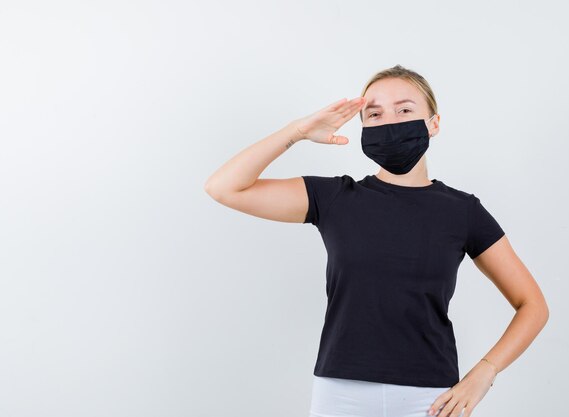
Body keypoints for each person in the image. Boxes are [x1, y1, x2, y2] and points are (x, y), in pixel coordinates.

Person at [204, 64, 549, 417]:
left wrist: (484, 373)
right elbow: (224, 187)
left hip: (431, 398)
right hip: (340, 394)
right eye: (374, 113)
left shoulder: (463, 211)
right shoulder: (336, 198)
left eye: (404, 110)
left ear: (434, 124)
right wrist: (298, 131)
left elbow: (532, 305)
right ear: (363, 127)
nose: (390, 122)